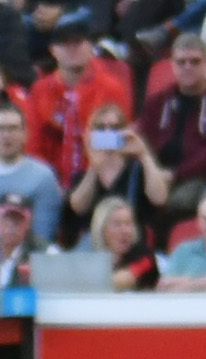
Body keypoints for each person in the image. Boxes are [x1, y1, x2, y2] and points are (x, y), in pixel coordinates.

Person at [27, 23, 129, 189]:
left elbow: (119, 140)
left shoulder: (111, 89)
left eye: (78, 43)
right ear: (53, 50)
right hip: (50, 179)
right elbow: (33, 143)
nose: (72, 49)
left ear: (90, 47)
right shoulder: (40, 90)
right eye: (65, 44)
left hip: (97, 175)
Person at [64, 103, 169, 247]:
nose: (108, 132)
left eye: (114, 128)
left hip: (131, 243)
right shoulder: (85, 175)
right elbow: (77, 206)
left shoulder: (138, 170)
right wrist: (95, 166)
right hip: (95, 245)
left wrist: (144, 154)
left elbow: (159, 198)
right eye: (101, 128)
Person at [0, 102, 62, 246]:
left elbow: (44, 234)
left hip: (27, 260)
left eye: (13, 129)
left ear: (25, 133)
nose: (6, 135)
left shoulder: (43, 177)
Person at [136, 34, 206, 227]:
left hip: (197, 178)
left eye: (195, 62)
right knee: (128, 178)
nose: (188, 67)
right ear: (172, 65)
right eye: (181, 62)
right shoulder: (158, 102)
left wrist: (175, 174)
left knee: (180, 200)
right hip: (157, 174)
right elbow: (141, 139)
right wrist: (154, 170)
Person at [0, 191, 44, 287]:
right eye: (6, 219)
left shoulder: (43, 256)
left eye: (18, 220)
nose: (11, 226)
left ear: (28, 223)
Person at [92, 196, 159, 290]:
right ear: (102, 229)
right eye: (117, 224)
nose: (125, 231)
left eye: (128, 223)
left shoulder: (146, 257)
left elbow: (123, 280)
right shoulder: (93, 258)